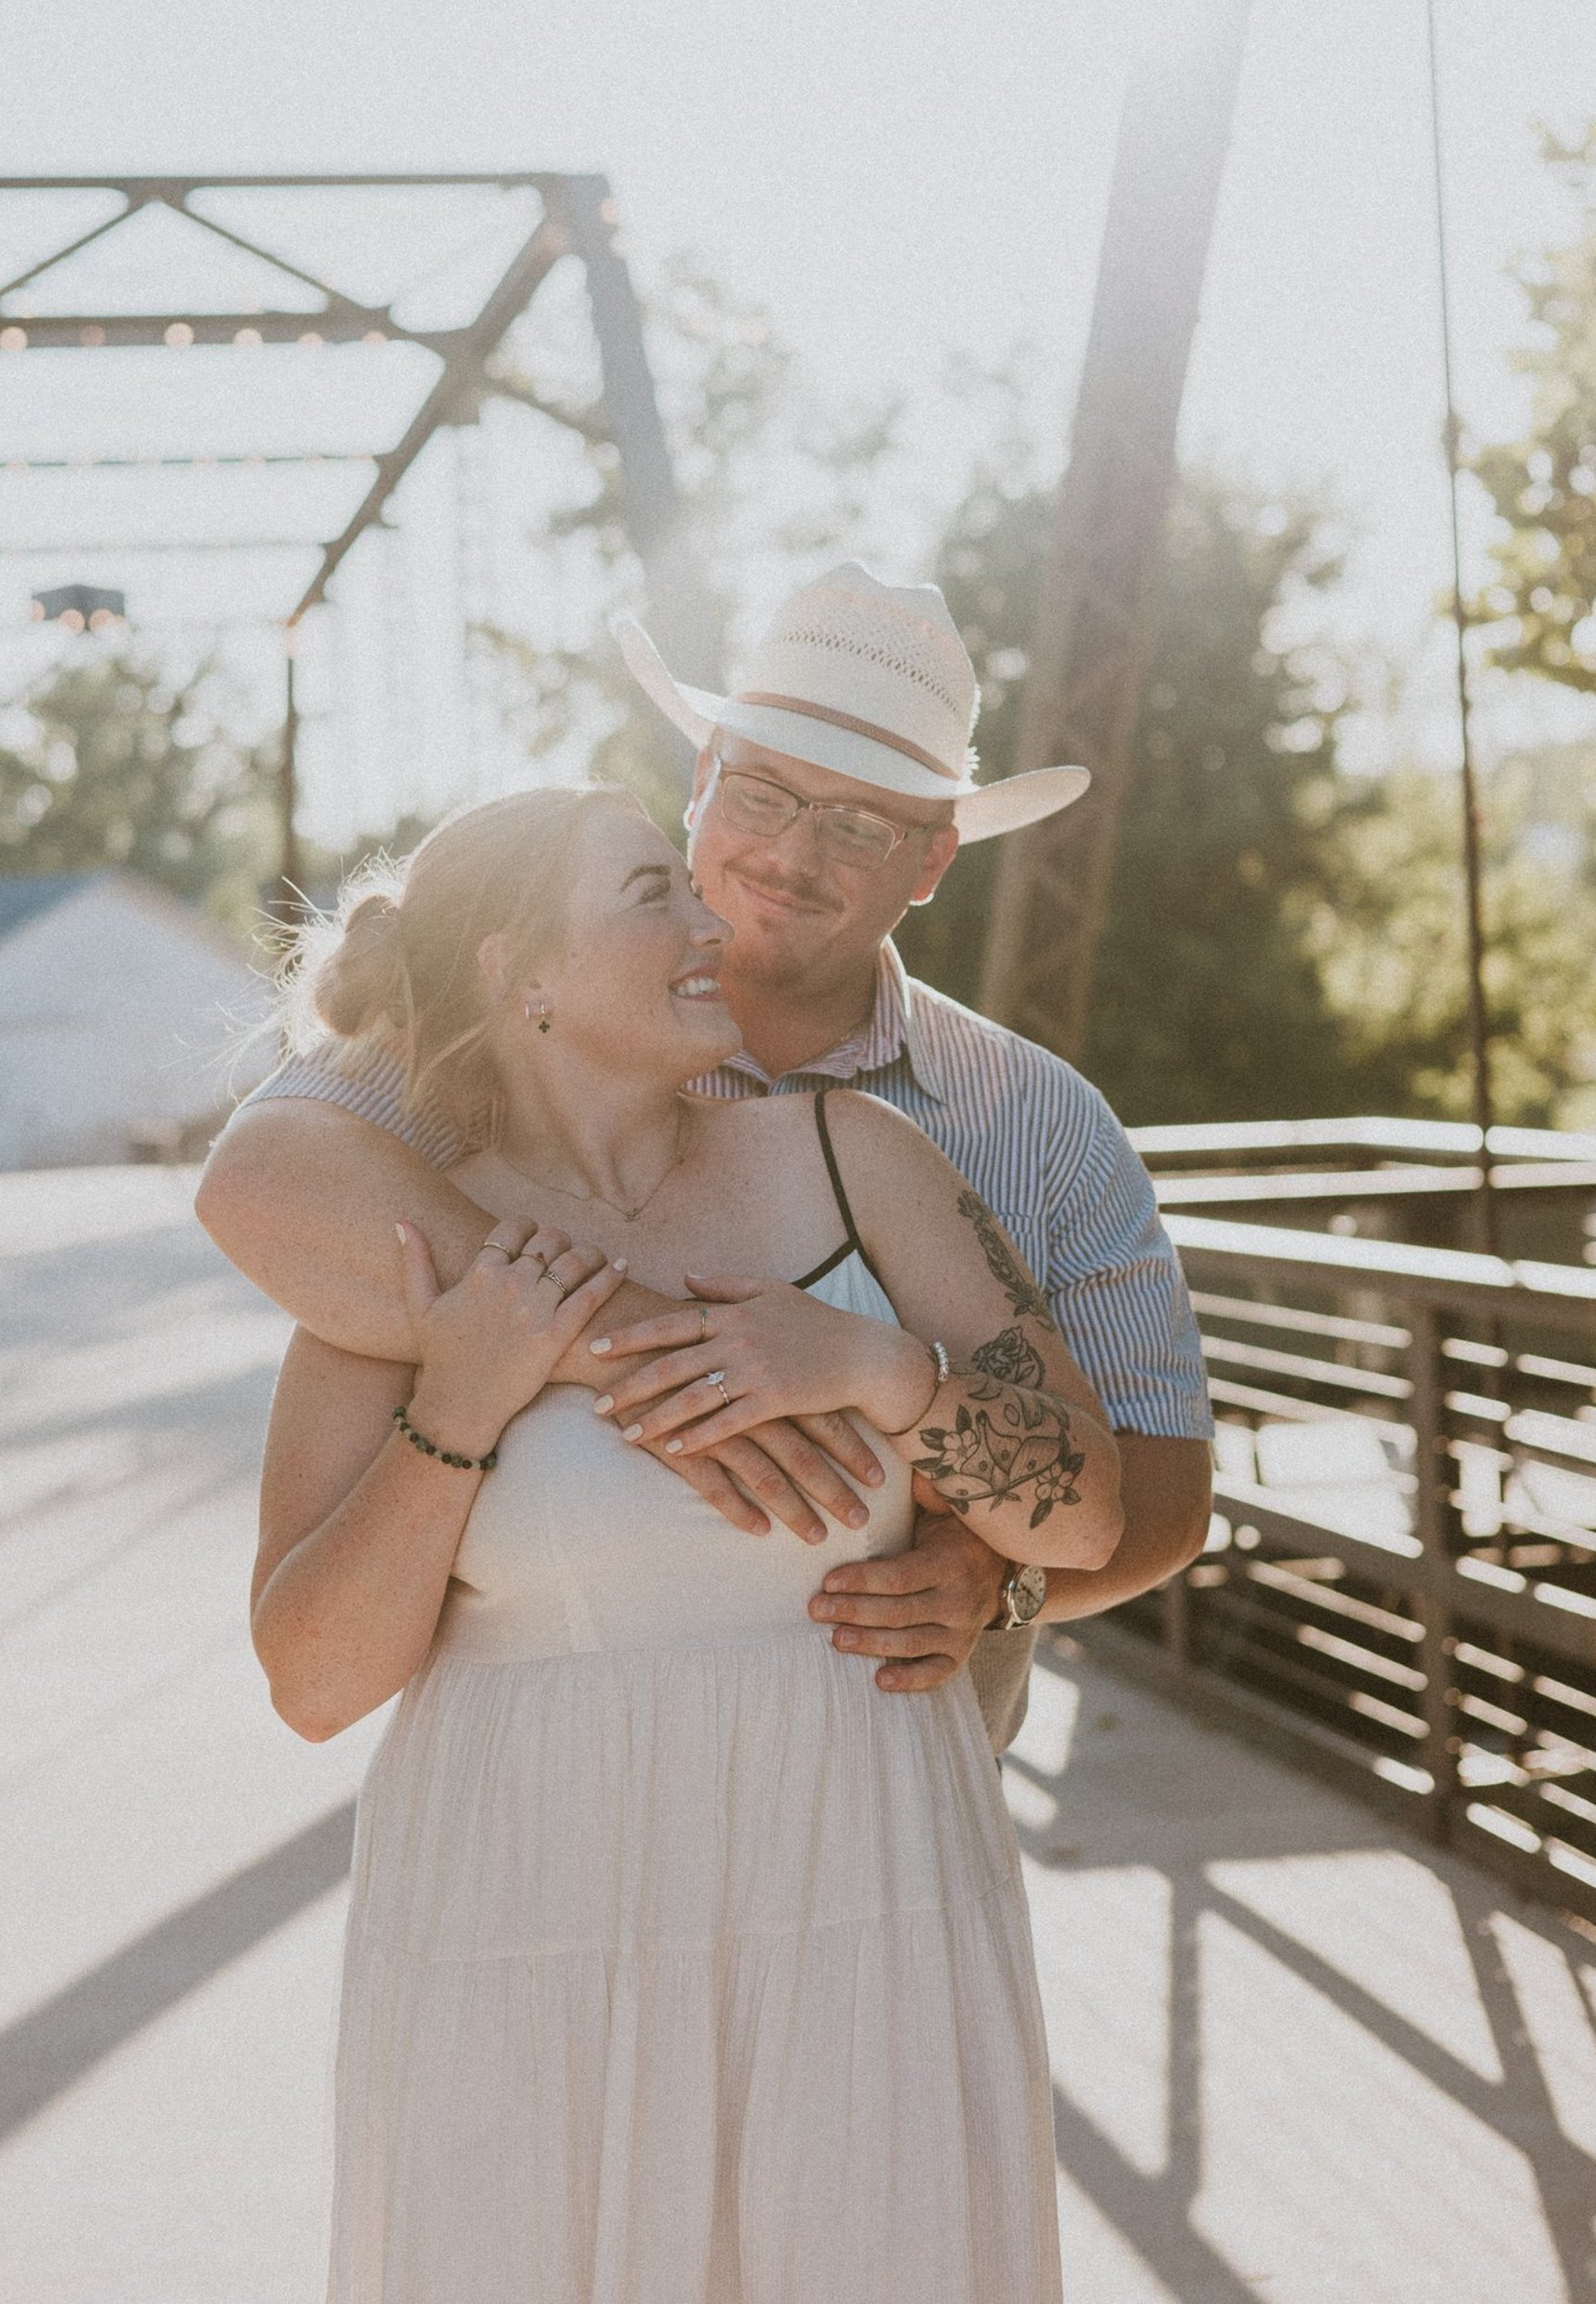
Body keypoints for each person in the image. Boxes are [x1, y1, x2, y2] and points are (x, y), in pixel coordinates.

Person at [251, 782, 1125, 2299]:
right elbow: (316, 1680)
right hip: (530, 1932)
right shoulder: (405, 1243)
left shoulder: (860, 1160)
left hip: (863, 1899)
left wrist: (871, 1368)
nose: (710, 919)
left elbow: (1085, 1504)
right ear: (516, 967)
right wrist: (461, 1399)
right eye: (653, 893)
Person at [199, 562, 1214, 1748]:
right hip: (550, 1818)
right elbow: (258, 1180)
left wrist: (1001, 1579)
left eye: (858, 824)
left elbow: (1157, 1495)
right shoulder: (471, 1058)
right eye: (767, 794)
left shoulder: (1036, 1122)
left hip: (894, 1822)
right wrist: (656, 1359)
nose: (791, 855)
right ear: (702, 781)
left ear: (932, 862)